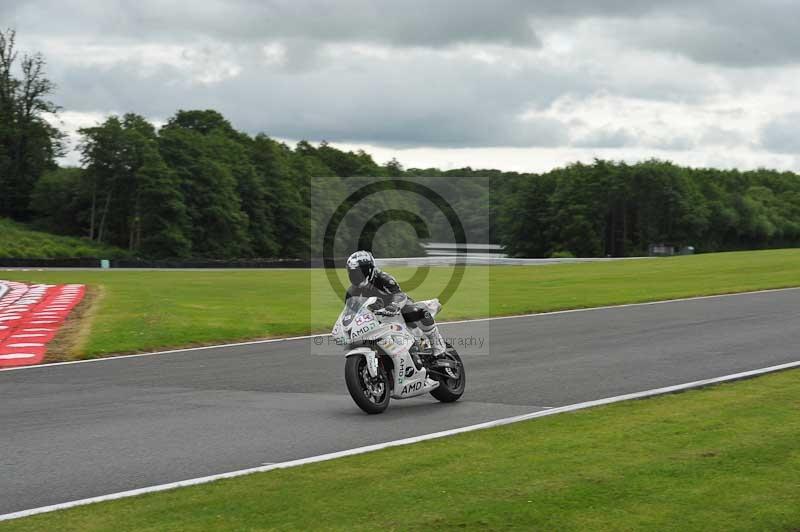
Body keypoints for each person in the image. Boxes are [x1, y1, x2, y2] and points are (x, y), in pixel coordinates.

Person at [345, 250, 446, 356]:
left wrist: (394, 306)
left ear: (369, 270)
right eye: (353, 273)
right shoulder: (351, 292)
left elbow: (399, 295)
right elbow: (350, 312)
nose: (356, 276)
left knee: (414, 311)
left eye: (359, 272)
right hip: (375, 316)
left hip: (397, 308)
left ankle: (438, 346)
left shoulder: (383, 279)